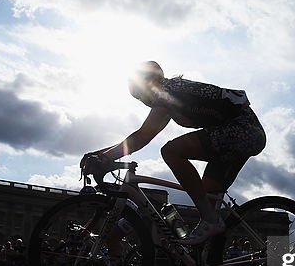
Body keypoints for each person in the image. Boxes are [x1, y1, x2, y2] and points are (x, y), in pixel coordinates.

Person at [84, 61, 266, 245]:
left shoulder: (167, 93)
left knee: (172, 151)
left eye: (140, 95)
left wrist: (104, 157)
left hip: (242, 131)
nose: (144, 102)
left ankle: (211, 222)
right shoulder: (169, 95)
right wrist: (100, 154)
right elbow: (141, 137)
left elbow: (142, 137)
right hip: (238, 137)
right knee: (207, 202)